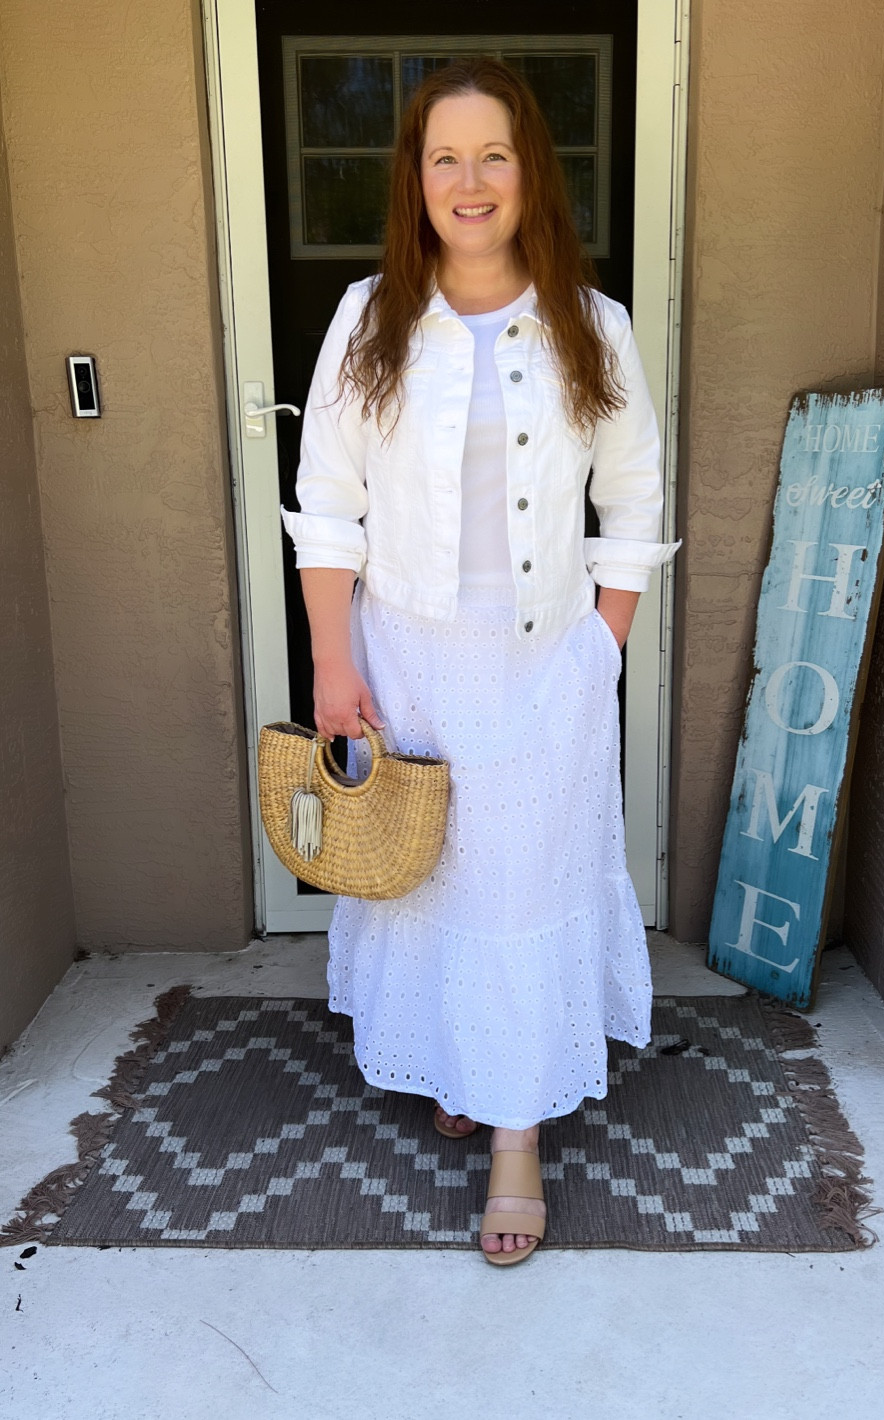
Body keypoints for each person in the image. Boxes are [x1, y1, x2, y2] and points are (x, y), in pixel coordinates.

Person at [280, 56, 680, 1266]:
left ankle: (515, 1137)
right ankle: (460, 1062)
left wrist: (595, 656)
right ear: (412, 179)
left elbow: (632, 501)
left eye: (492, 155)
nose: (468, 180)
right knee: (434, 881)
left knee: (518, 886)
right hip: (401, 659)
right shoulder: (368, 319)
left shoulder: (588, 325)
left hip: (537, 671)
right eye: (442, 156)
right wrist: (331, 662)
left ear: (528, 176)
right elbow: (326, 499)